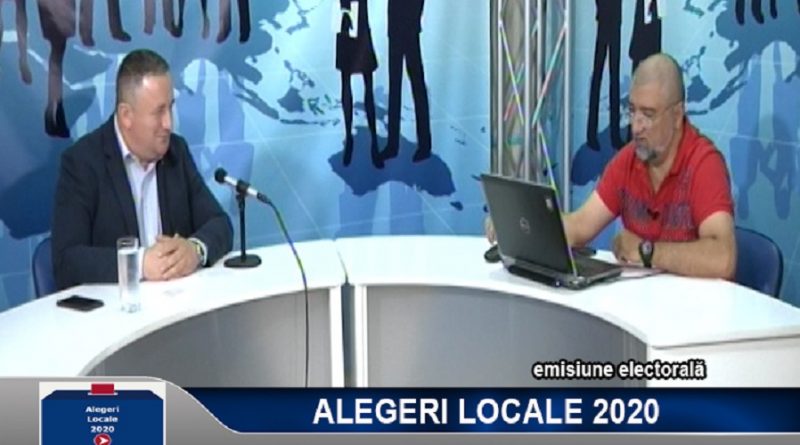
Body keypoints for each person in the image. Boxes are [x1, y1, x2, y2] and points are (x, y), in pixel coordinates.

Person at [486, 53, 736, 280]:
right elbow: (580, 226)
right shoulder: (628, 160)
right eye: (632, 111)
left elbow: (723, 259)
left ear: (677, 115)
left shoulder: (704, 164)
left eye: (648, 115)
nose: (636, 127)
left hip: (694, 308)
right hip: (646, 303)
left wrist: (646, 251)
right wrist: (513, 225)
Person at [51, 49, 233, 290]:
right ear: (126, 115)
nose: (168, 123)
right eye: (159, 112)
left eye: (170, 107)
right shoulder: (83, 163)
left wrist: (195, 249)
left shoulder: (176, 152)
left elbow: (220, 223)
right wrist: (139, 263)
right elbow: (67, 261)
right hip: (119, 308)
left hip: (177, 302)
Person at [336, 0, 380, 167]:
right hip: (344, 21)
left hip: (360, 23)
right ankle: (349, 136)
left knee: (367, 84)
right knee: (346, 83)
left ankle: (373, 140)